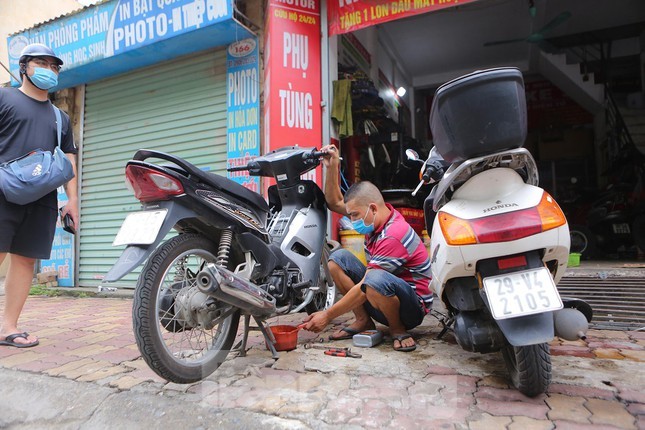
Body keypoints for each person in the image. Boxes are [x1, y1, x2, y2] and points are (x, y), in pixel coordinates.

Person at [302, 144, 433, 352]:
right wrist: (332, 165)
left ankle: (398, 330)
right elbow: (335, 202)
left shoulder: (394, 234)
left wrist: (327, 315)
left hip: (412, 308)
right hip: (384, 293)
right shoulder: (374, 220)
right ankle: (363, 320)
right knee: (337, 260)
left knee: (373, 279)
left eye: (354, 215)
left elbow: (365, 286)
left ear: (372, 208)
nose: (351, 220)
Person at [0, 43, 78, 348]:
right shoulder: (4, 98)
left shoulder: (61, 118)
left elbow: (69, 159)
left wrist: (71, 201)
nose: (48, 69)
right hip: (2, 192)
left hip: (42, 199)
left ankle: (8, 327)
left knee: (24, 261)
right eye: (41, 63)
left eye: (53, 65)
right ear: (24, 67)